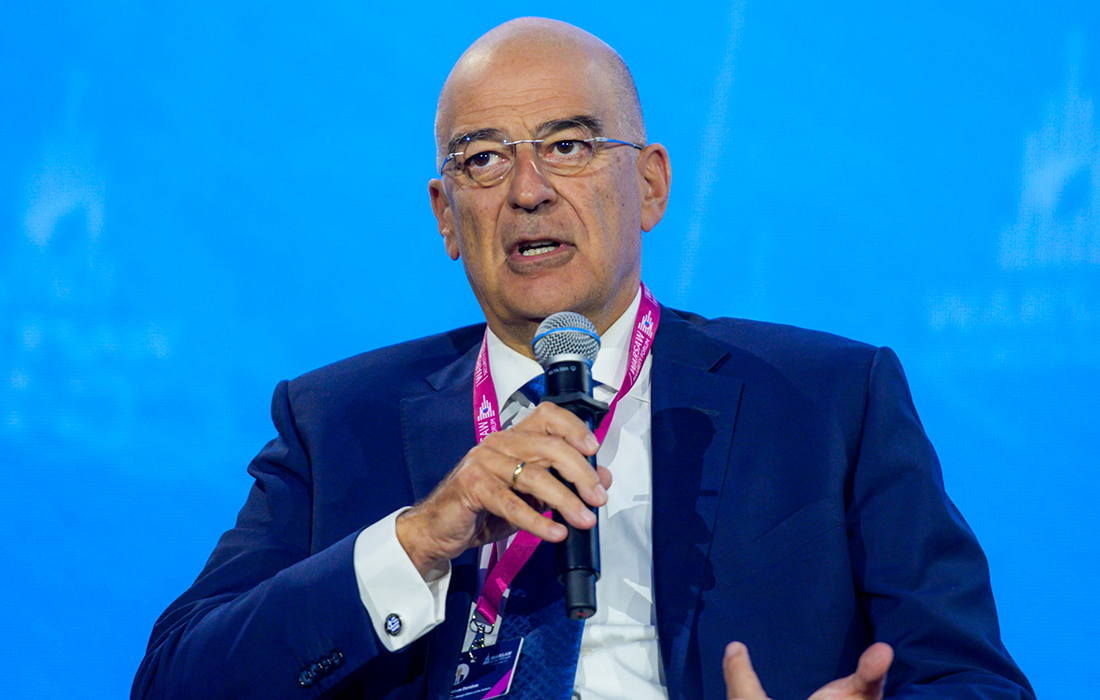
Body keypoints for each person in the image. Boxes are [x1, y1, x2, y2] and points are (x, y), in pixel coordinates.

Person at [133, 17, 1034, 700]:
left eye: (568, 147)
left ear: (651, 185)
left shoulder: (830, 400)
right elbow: (174, 681)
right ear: (447, 218)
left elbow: (973, 681)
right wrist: (419, 539)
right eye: (484, 160)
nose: (528, 191)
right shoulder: (335, 422)